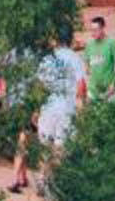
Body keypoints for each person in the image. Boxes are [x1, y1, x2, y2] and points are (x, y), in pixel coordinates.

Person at [14, 35, 84, 191]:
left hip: (48, 108)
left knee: (45, 146)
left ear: (56, 40)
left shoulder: (47, 59)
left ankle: (42, 180)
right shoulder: (75, 58)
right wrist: (81, 106)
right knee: (60, 147)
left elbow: (39, 86)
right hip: (66, 109)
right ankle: (54, 182)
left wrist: (36, 109)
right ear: (70, 39)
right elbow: (81, 87)